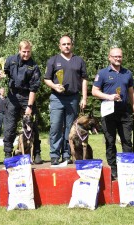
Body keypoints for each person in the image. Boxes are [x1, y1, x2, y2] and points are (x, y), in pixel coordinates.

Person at [92, 47, 134, 179]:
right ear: (109, 57)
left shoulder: (127, 73)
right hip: (108, 112)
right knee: (110, 141)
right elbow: (94, 91)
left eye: (120, 56)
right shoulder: (102, 73)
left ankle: (128, 168)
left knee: (127, 141)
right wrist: (109, 97)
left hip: (125, 113)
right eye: (115, 56)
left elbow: (131, 92)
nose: (118, 58)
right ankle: (113, 170)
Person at [0, 40, 43, 164]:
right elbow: (2, 73)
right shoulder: (10, 60)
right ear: (19, 50)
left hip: (28, 96)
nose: (26, 54)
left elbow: (34, 88)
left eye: (28, 52)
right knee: (9, 126)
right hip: (12, 96)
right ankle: (7, 153)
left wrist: (29, 106)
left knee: (33, 126)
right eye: (24, 51)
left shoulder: (34, 66)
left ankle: (37, 153)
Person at [44, 35, 88, 165]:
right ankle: (55, 155)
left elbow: (84, 79)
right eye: (64, 44)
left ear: (72, 45)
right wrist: (54, 86)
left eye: (68, 44)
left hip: (73, 98)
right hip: (57, 98)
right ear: (59, 46)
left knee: (71, 129)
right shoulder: (53, 60)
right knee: (56, 127)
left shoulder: (79, 61)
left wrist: (84, 97)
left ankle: (67, 154)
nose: (66, 46)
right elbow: (46, 79)